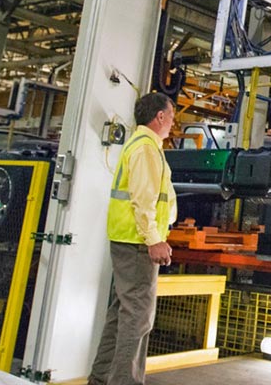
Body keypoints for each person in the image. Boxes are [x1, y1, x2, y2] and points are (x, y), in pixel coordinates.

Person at [88, 92, 178, 385]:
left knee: (121, 314)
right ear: (160, 116)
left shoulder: (144, 146)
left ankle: (100, 379)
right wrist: (154, 239)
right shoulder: (146, 150)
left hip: (129, 240)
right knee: (138, 318)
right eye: (172, 117)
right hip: (138, 243)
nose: (173, 123)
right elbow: (143, 201)